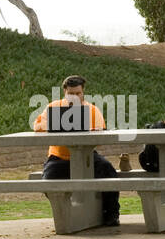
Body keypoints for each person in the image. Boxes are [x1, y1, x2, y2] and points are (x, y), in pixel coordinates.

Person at [33, 74, 120, 226]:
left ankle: (110, 214)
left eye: (78, 93)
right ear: (64, 92)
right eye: (71, 94)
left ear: (83, 92)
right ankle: (65, 212)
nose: (74, 97)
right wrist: (54, 125)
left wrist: (93, 132)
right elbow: (37, 126)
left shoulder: (92, 110)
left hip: (86, 157)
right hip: (58, 157)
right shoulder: (53, 108)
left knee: (109, 172)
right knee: (48, 182)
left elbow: (102, 133)